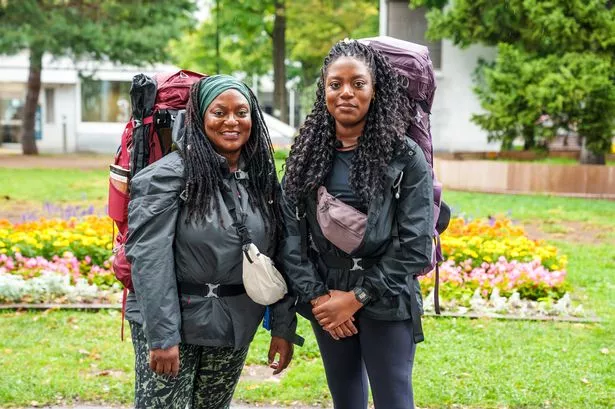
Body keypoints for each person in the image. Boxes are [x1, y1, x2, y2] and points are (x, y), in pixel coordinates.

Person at [124, 75, 300, 409]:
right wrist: (163, 337)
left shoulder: (261, 179)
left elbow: (280, 254)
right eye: (219, 112)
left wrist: (282, 325)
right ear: (200, 116)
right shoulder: (166, 176)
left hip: (233, 323)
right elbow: (150, 259)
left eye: (241, 112)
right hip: (175, 325)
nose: (231, 121)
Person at [281, 39, 434, 409]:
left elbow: (415, 245)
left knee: (394, 399)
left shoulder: (404, 156)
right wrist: (320, 298)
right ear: (324, 91)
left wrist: (358, 298)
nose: (346, 93)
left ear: (375, 89)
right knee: (346, 400)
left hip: (387, 296)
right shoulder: (306, 156)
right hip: (328, 297)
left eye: (358, 83)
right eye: (336, 84)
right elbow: (290, 239)